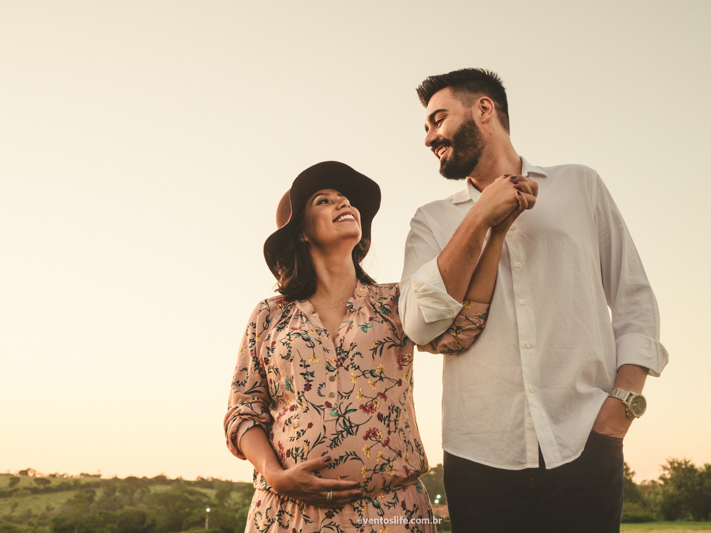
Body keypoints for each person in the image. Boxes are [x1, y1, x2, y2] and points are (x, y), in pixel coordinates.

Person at [399, 69, 669, 532]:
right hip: (478, 455)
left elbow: (634, 299)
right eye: (426, 127)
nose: (429, 137)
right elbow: (418, 325)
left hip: (585, 440)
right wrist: (481, 214)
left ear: (484, 110)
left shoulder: (581, 186)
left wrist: (620, 409)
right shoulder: (431, 221)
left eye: (437, 120)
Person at [224, 161, 530, 532]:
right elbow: (244, 411)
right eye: (324, 200)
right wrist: (275, 474)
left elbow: (462, 327)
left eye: (346, 199)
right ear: (301, 233)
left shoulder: (395, 302)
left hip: (392, 514)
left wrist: (494, 234)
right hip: (287, 515)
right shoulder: (269, 315)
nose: (343, 203)